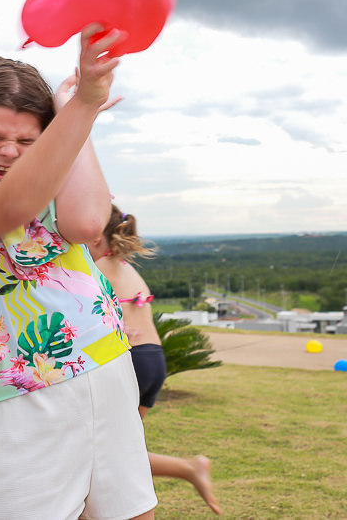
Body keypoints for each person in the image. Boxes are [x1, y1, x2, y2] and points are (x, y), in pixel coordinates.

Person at [0, 25, 157, 520]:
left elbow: (87, 223)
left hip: (109, 370)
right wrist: (82, 106)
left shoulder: (52, 200)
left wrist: (74, 113)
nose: (10, 151)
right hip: (22, 398)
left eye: (29, 140)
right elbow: (11, 205)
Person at [89, 206, 221, 515]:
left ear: (94, 235)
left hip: (131, 361)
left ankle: (188, 468)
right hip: (152, 360)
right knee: (118, 448)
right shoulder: (125, 267)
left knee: (103, 452)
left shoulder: (97, 268)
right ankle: (186, 470)